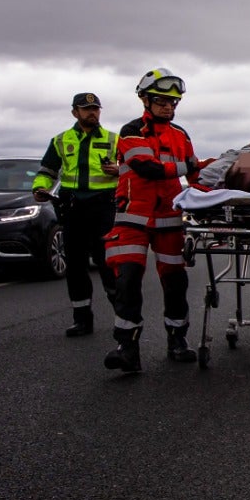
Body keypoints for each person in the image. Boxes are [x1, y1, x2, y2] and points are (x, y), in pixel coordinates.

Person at [103, 69, 208, 372]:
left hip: (169, 218)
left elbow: (196, 175)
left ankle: (177, 339)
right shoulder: (131, 131)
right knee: (128, 280)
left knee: (175, 282)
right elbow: (147, 167)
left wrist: (226, 178)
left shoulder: (181, 135)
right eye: (162, 100)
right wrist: (188, 166)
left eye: (174, 102)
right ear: (145, 99)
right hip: (132, 218)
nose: (168, 107)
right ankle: (127, 347)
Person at [33, 92, 120, 338]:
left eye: (95, 108)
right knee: (76, 266)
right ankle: (82, 320)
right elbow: (47, 171)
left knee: (108, 263)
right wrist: (40, 188)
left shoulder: (115, 139)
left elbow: (131, 169)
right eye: (86, 109)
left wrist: (118, 170)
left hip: (104, 208)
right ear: (75, 113)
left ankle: (122, 318)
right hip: (72, 208)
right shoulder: (61, 140)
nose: (92, 113)